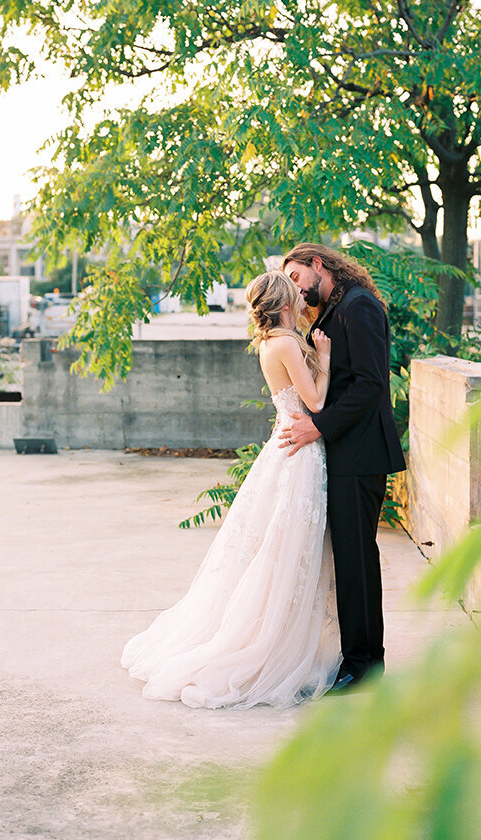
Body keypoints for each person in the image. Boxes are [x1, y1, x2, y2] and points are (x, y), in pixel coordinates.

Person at [121, 271, 342, 708]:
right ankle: (270, 644)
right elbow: (315, 402)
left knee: (280, 548)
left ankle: (279, 634)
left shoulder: (271, 342)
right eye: (294, 290)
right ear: (282, 302)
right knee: (289, 549)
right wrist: (327, 358)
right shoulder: (285, 344)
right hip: (298, 451)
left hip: (286, 447)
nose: (302, 294)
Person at [281, 243, 406, 691]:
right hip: (347, 451)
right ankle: (359, 660)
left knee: (356, 561)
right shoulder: (337, 308)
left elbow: (372, 383)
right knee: (350, 560)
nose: (295, 289)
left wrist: (318, 427)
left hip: (361, 452)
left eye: (296, 277)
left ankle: (365, 666)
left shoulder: (360, 306)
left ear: (318, 264)